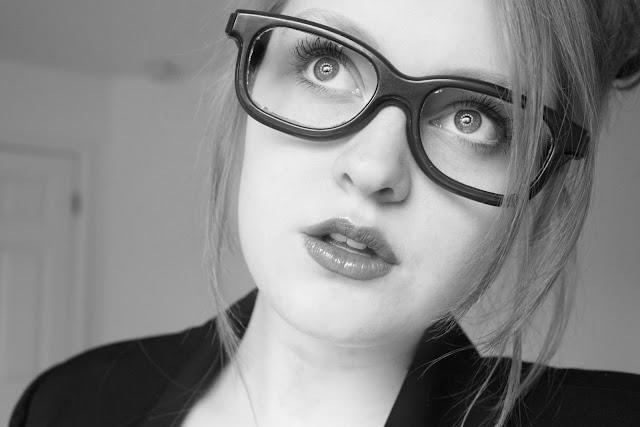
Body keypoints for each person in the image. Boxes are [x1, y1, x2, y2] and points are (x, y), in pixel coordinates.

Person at [10, 0, 640, 426]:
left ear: (544, 179)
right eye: (327, 64)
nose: (372, 170)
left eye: (472, 119)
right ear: (250, 70)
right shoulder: (65, 404)